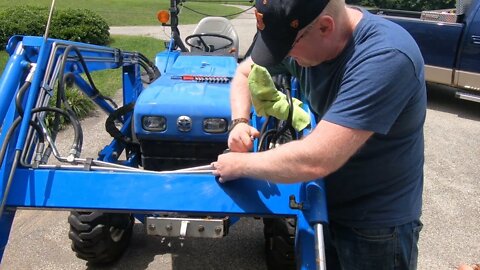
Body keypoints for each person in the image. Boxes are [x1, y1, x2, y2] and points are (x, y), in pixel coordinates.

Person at [212, 0, 426, 269]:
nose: (283, 57)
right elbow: (245, 72)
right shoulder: (309, 43)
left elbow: (317, 158)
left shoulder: (386, 56)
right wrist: (240, 122)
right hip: (323, 200)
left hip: (375, 226)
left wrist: (240, 164)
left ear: (325, 27)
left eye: (287, 47)